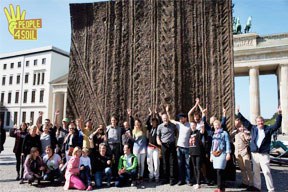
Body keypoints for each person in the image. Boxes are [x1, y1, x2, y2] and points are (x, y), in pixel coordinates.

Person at [237, 106, 282, 192]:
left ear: (263, 121)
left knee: (266, 172)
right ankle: (257, 188)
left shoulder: (268, 129)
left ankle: (271, 189)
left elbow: (277, 125)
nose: (260, 122)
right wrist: (238, 113)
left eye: (261, 121)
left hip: (264, 154)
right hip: (255, 154)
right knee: (256, 172)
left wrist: (279, 114)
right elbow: (245, 122)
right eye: (258, 121)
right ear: (256, 122)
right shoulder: (253, 128)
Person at [166, 105, 191, 186]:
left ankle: (188, 180)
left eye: (181, 118)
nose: (180, 119)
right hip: (179, 147)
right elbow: (170, 120)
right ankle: (181, 180)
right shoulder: (179, 124)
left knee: (187, 165)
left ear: (185, 118)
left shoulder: (189, 124)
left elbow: (190, 115)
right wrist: (167, 111)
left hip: (187, 148)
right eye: (179, 118)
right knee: (180, 165)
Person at [156, 112, 178, 185]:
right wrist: (159, 141)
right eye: (164, 118)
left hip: (171, 145)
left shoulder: (172, 125)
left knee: (172, 162)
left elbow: (177, 133)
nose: (165, 119)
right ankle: (165, 178)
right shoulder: (159, 126)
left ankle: (172, 179)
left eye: (166, 118)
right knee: (165, 162)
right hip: (164, 145)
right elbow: (157, 136)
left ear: (168, 118)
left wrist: (177, 142)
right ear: (162, 119)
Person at [232, 118, 253, 189]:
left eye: (238, 123)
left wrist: (244, 132)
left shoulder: (245, 131)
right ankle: (245, 182)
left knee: (248, 168)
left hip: (244, 152)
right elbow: (230, 138)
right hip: (237, 153)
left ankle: (251, 184)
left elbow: (249, 138)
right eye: (236, 124)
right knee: (242, 169)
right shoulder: (235, 132)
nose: (237, 125)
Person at [210, 120, 231, 192]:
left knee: (220, 170)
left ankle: (220, 188)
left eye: (217, 125)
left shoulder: (224, 133)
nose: (216, 126)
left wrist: (228, 153)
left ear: (220, 125)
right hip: (215, 153)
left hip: (222, 153)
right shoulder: (214, 134)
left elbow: (227, 143)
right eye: (215, 125)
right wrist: (211, 155)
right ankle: (221, 188)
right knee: (218, 171)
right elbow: (212, 145)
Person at [146, 107, 162, 182]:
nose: (153, 123)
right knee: (149, 161)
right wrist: (150, 114)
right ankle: (151, 175)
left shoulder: (159, 128)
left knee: (156, 161)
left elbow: (161, 121)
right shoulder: (150, 128)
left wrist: (156, 114)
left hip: (156, 148)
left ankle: (156, 176)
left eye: (155, 122)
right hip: (149, 147)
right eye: (152, 122)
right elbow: (146, 123)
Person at [189, 121, 206, 189]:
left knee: (198, 168)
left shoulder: (198, 132)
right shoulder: (190, 133)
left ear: (196, 126)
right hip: (192, 153)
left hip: (198, 153)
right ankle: (196, 182)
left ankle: (198, 183)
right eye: (191, 125)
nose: (192, 126)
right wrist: (190, 153)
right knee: (194, 167)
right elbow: (190, 144)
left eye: (193, 125)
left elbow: (202, 131)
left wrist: (202, 126)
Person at [132, 119, 147, 185]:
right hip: (136, 149)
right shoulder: (133, 130)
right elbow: (134, 139)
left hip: (143, 148)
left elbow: (147, 124)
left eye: (138, 122)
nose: (137, 124)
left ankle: (141, 176)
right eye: (135, 123)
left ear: (140, 123)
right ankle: (137, 177)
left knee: (142, 163)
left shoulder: (143, 129)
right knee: (137, 164)